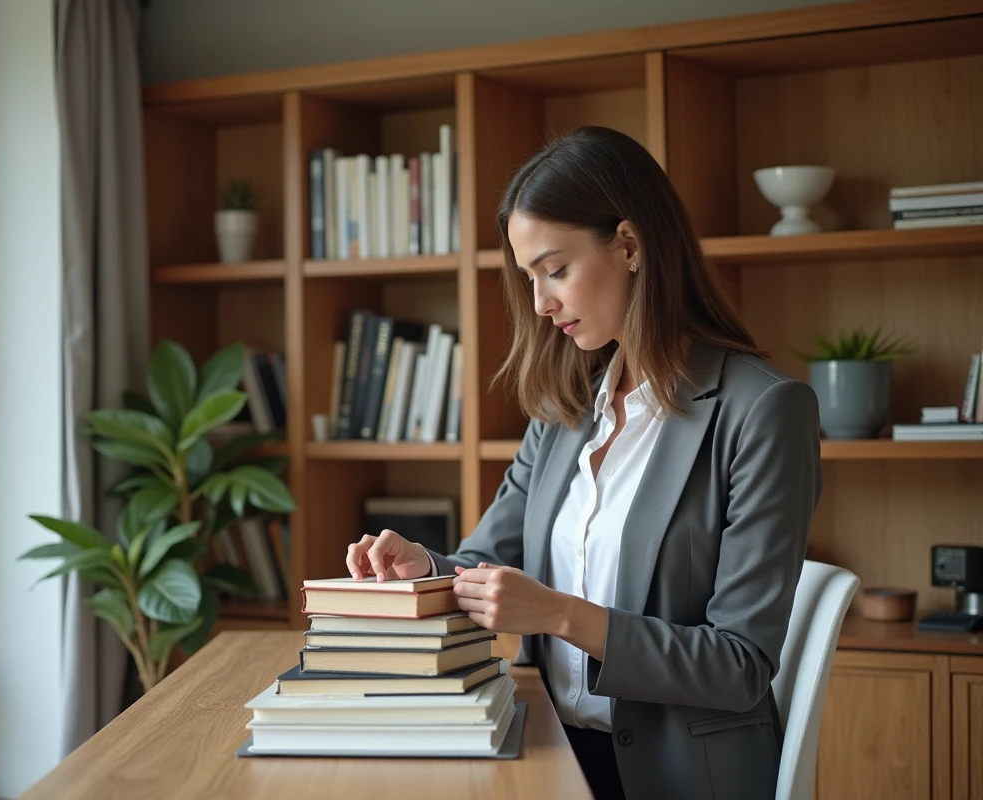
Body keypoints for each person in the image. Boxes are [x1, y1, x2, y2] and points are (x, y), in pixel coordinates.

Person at [345, 125, 822, 800]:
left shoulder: (763, 412)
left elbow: (739, 666)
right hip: (547, 754)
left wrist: (561, 615)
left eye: (556, 269)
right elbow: (486, 564)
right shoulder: (566, 412)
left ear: (628, 245)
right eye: (529, 278)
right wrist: (424, 567)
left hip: (678, 779)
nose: (540, 304)